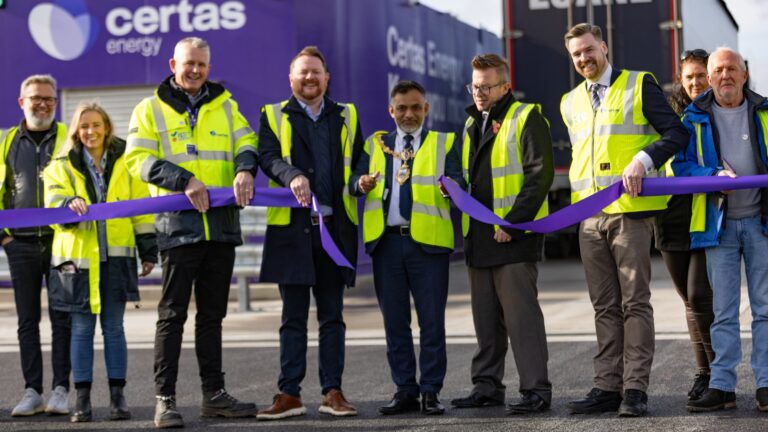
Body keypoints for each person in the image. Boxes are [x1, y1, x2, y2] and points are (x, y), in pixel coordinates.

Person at [125, 37, 258, 429]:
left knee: (212, 316)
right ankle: (164, 400)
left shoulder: (227, 107)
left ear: (209, 67)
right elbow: (137, 159)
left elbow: (247, 141)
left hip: (220, 228)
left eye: (201, 64)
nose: (195, 70)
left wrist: (245, 168)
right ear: (173, 64)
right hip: (177, 228)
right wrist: (183, 180)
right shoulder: (149, 109)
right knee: (172, 316)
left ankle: (213, 395)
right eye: (188, 64)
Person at [560, 23, 689, 417]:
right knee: (603, 306)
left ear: (603, 46)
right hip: (589, 217)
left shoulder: (638, 84)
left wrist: (643, 159)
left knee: (635, 302)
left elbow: (676, 133)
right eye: (576, 54)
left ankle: (635, 389)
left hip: (629, 215)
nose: (584, 59)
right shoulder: (569, 102)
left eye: (588, 50)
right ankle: (606, 386)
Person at [256, 46, 364, 420]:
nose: (309, 78)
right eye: (303, 72)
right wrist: (294, 175)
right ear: (291, 79)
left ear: (326, 77)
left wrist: (361, 182)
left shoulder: (347, 115)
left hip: (335, 231)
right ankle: (289, 394)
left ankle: (332, 391)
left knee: (332, 316)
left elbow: (360, 159)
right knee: (293, 317)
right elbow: (268, 159)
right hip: (293, 232)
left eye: (316, 72)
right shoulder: (272, 115)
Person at [449, 54, 554, 415]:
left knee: (521, 320)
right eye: (475, 86)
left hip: (514, 236)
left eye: (487, 86)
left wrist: (513, 222)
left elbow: (539, 176)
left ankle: (536, 390)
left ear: (505, 86)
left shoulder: (526, 117)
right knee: (485, 320)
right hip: (479, 238)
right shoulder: (469, 124)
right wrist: (453, 187)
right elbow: (464, 172)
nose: (479, 92)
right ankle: (487, 386)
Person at [351, 80, 461, 416]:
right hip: (386, 245)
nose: (409, 114)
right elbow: (353, 182)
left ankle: (430, 390)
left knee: (431, 322)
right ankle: (405, 390)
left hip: (427, 245)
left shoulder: (444, 143)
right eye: (402, 108)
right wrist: (360, 183)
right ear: (391, 111)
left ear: (426, 109)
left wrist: (451, 188)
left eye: (415, 107)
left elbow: (460, 184)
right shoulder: (375, 145)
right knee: (395, 323)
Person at [43, 102, 157, 422]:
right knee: (80, 330)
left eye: (96, 125)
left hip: (116, 260)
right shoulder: (61, 165)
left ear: (107, 127)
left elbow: (142, 208)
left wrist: (148, 250)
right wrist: (69, 203)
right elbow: (51, 202)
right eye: (83, 126)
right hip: (76, 263)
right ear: (76, 132)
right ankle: (82, 401)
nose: (90, 131)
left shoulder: (126, 161)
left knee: (114, 329)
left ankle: (118, 399)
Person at [673, 47, 768, 413]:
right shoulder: (692, 118)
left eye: (732, 69)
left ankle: (765, 384)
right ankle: (723, 385)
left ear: (745, 74)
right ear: (709, 79)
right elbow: (680, 168)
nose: (725, 75)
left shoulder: (764, 112)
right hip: (719, 226)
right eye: (718, 70)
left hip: (761, 222)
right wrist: (711, 177)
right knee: (724, 311)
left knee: (764, 309)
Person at [0, 74, 71, 417]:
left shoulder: (70, 138)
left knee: (63, 319)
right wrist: (4, 239)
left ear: (55, 103)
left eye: (49, 99)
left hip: (63, 243)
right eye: (36, 98)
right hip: (22, 244)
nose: (43, 104)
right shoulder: (7, 141)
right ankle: (32, 391)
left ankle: (60, 390)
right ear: (22, 102)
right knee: (27, 321)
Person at [656, 49, 715, 401]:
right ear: (681, 78)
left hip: (706, 216)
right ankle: (706, 372)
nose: (696, 82)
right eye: (690, 76)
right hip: (669, 218)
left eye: (701, 75)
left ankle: (713, 375)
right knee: (689, 302)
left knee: (699, 296)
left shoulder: (719, 111)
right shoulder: (668, 113)